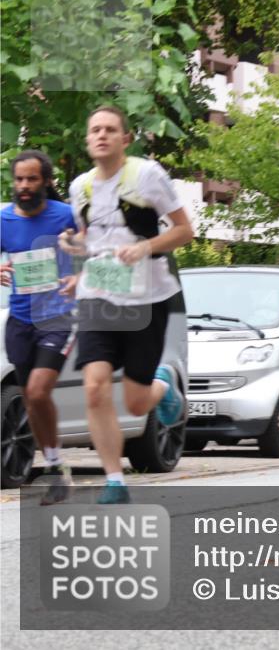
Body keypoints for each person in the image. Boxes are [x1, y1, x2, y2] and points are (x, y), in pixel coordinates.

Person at [58, 105, 193, 504]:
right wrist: (78, 267)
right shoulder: (79, 187)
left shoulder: (147, 176)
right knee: (95, 387)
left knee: (135, 401)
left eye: (110, 129)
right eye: (95, 129)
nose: (101, 135)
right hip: (98, 297)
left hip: (147, 300)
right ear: (87, 139)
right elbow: (91, 242)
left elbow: (186, 230)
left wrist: (146, 246)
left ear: (125, 138)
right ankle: (114, 478)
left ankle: (163, 385)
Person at [0, 150, 77, 503]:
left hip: (59, 318)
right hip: (19, 319)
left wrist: (79, 274)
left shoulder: (66, 215)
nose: (24, 186)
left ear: (46, 181)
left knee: (37, 390)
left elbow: (97, 253)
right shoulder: (4, 219)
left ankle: (56, 469)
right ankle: (56, 468)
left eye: (32, 179)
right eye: (19, 179)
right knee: (32, 399)